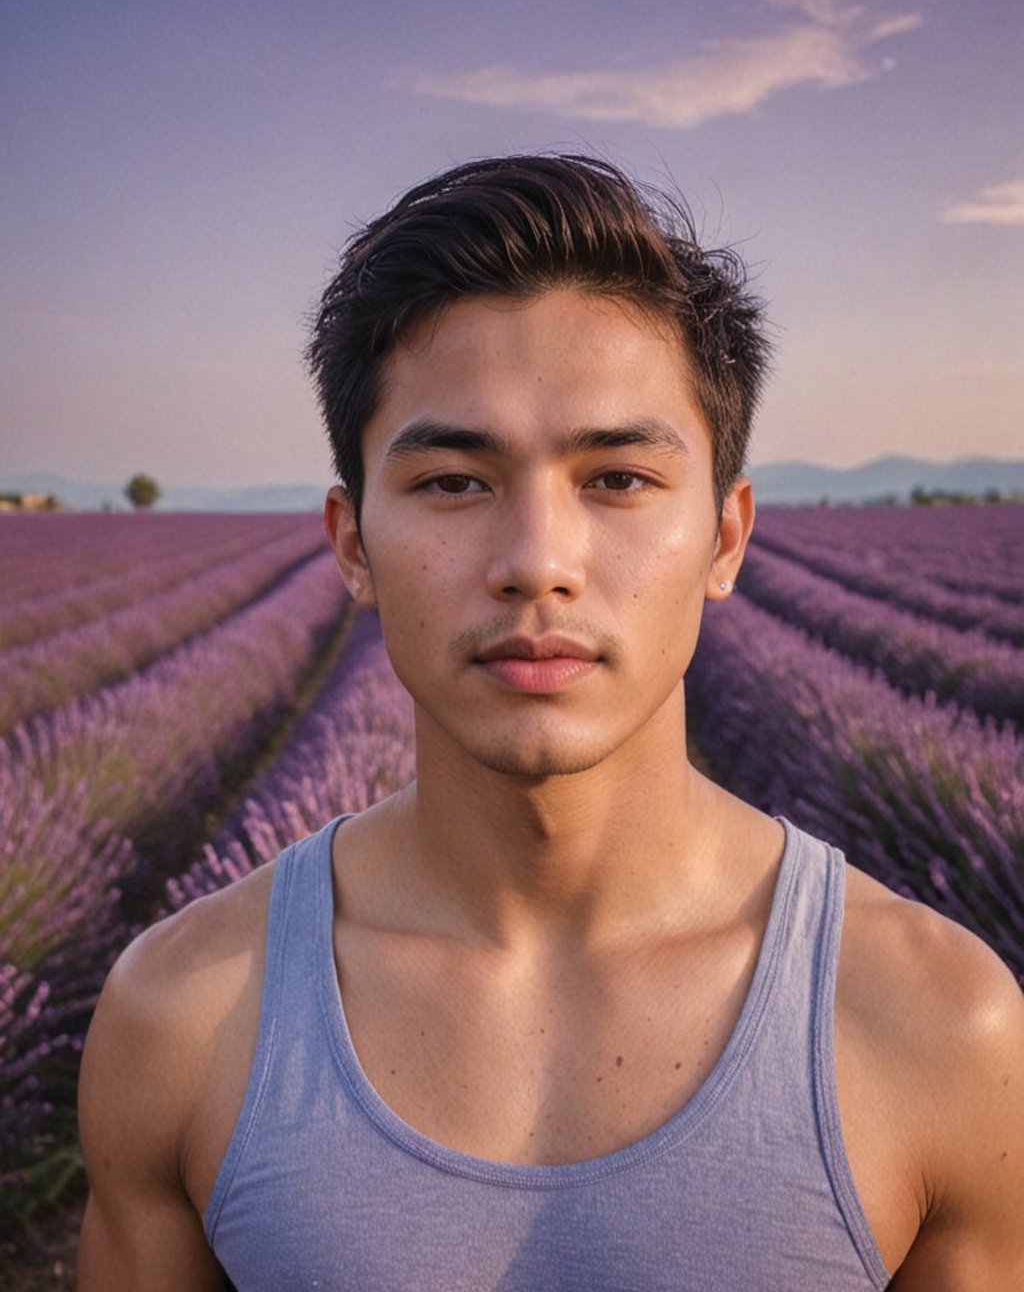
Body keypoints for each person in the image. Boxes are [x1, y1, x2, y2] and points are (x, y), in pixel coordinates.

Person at [77, 155, 1024, 1290]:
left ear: (725, 537)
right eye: (452, 482)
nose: (537, 562)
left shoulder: (940, 1029)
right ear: (349, 542)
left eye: (617, 477)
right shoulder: (178, 1020)